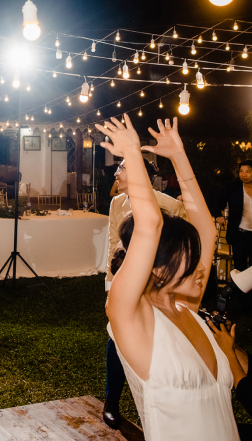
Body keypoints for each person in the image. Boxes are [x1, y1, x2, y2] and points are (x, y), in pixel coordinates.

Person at [99, 115, 239, 440]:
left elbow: (206, 229)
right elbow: (151, 226)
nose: (201, 267)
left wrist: (178, 156)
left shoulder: (188, 307)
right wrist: (133, 155)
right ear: (159, 268)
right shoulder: (132, 318)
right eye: (190, 260)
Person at [102, 157, 186, 428]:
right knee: (117, 337)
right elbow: (114, 243)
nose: (116, 172)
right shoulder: (117, 203)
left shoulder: (170, 205)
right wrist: (112, 281)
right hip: (126, 281)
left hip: (159, 285)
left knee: (158, 340)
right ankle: (111, 401)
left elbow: (181, 249)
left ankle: (159, 406)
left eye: (122, 167)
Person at [213, 160, 252, 305]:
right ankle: (242, 302)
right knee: (240, 267)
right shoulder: (234, 187)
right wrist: (218, 215)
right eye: (241, 171)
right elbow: (216, 198)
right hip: (239, 235)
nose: (244, 175)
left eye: (248, 171)